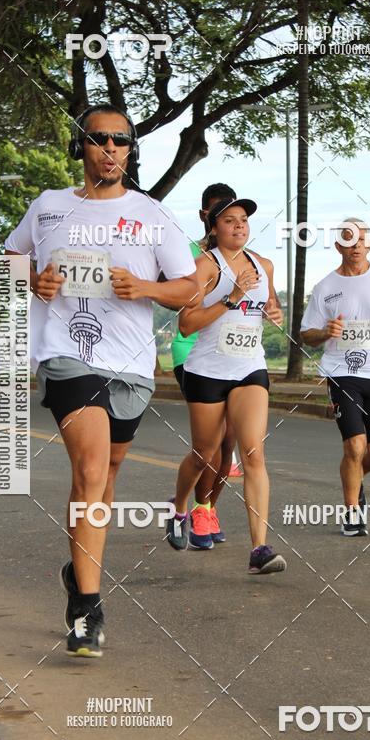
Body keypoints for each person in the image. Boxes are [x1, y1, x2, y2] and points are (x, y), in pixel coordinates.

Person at [5, 103, 199, 656]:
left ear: (130, 150)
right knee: (91, 471)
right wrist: (35, 279)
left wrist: (146, 289)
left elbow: (189, 286)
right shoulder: (48, 208)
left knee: (106, 478)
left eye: (121, 140)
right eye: (99, 139)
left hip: (131, 365)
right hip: (66, 355)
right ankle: (87, 609)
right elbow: (9, 260)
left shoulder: (152, 214)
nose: (111, 148)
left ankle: (78, 570)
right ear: (82, 147)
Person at [165, 196, 287, 574]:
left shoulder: (262, 265)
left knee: (253, 453)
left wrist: (273, 312)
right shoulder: (202, 267)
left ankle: (259, 549)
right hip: (207, 371)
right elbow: (187, 324)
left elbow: (271, 307)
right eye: (230, 221)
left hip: (249, 368)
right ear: (214, 228)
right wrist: (232, 299)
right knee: (204, 453)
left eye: (244, 221)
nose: (239, 226)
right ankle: (179, 508)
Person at [300, 218, 370, 537]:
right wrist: (325, 332)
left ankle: (353, 478)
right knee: (355, 445)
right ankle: (352, 512)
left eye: (362, 239)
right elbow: (307, 333)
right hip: (341, 373)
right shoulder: (325, 287)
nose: (357, 244)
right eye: (349, 239)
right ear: (339, 246)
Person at [170, 183, 238, 549]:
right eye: (219, 213)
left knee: (228, 442)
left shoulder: (247, 258)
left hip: (233, 358)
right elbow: (178, 305)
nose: (227, 222)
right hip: (191, 353)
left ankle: (205, 508)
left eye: (234, 215)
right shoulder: (190, 257)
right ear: (205, 218)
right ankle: (195, 507)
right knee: (210, 444)